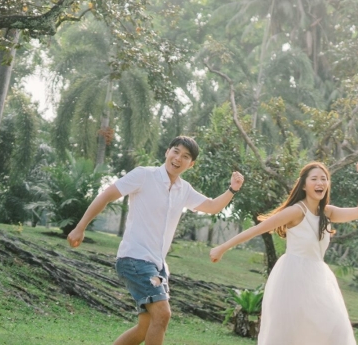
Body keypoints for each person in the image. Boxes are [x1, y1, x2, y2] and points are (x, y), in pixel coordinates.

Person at [67, 136, 244, 345]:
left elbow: (212, 206)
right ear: (167, 152)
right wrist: (80, 227)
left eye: (185, 156)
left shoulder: (183, 189)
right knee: (162, 313)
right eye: (176, 152)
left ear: (191, 164)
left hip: (157, 267)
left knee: (145, 327)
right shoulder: (144, 175)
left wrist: (232, 189)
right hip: (135, 259)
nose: (178, 158)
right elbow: (107, 195)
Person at [210, 160, 358, 344]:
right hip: (293, 277)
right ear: (303, 185)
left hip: (319, 278)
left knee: (335, 330)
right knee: (292, 335)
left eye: (324, 179)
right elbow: (257, 229)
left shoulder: (327, 212)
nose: (320, 183)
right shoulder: (296, 211)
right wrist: (222, 248)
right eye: (314, 179)